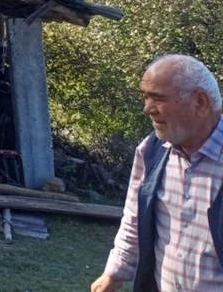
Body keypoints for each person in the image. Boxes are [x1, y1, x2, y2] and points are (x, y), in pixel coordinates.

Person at [91, 54, 223, 292]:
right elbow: (134, 218)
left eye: (158, 98)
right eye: (146, 97)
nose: (147, 109)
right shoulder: (151, 151)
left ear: (200, 103)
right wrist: (114, 273)